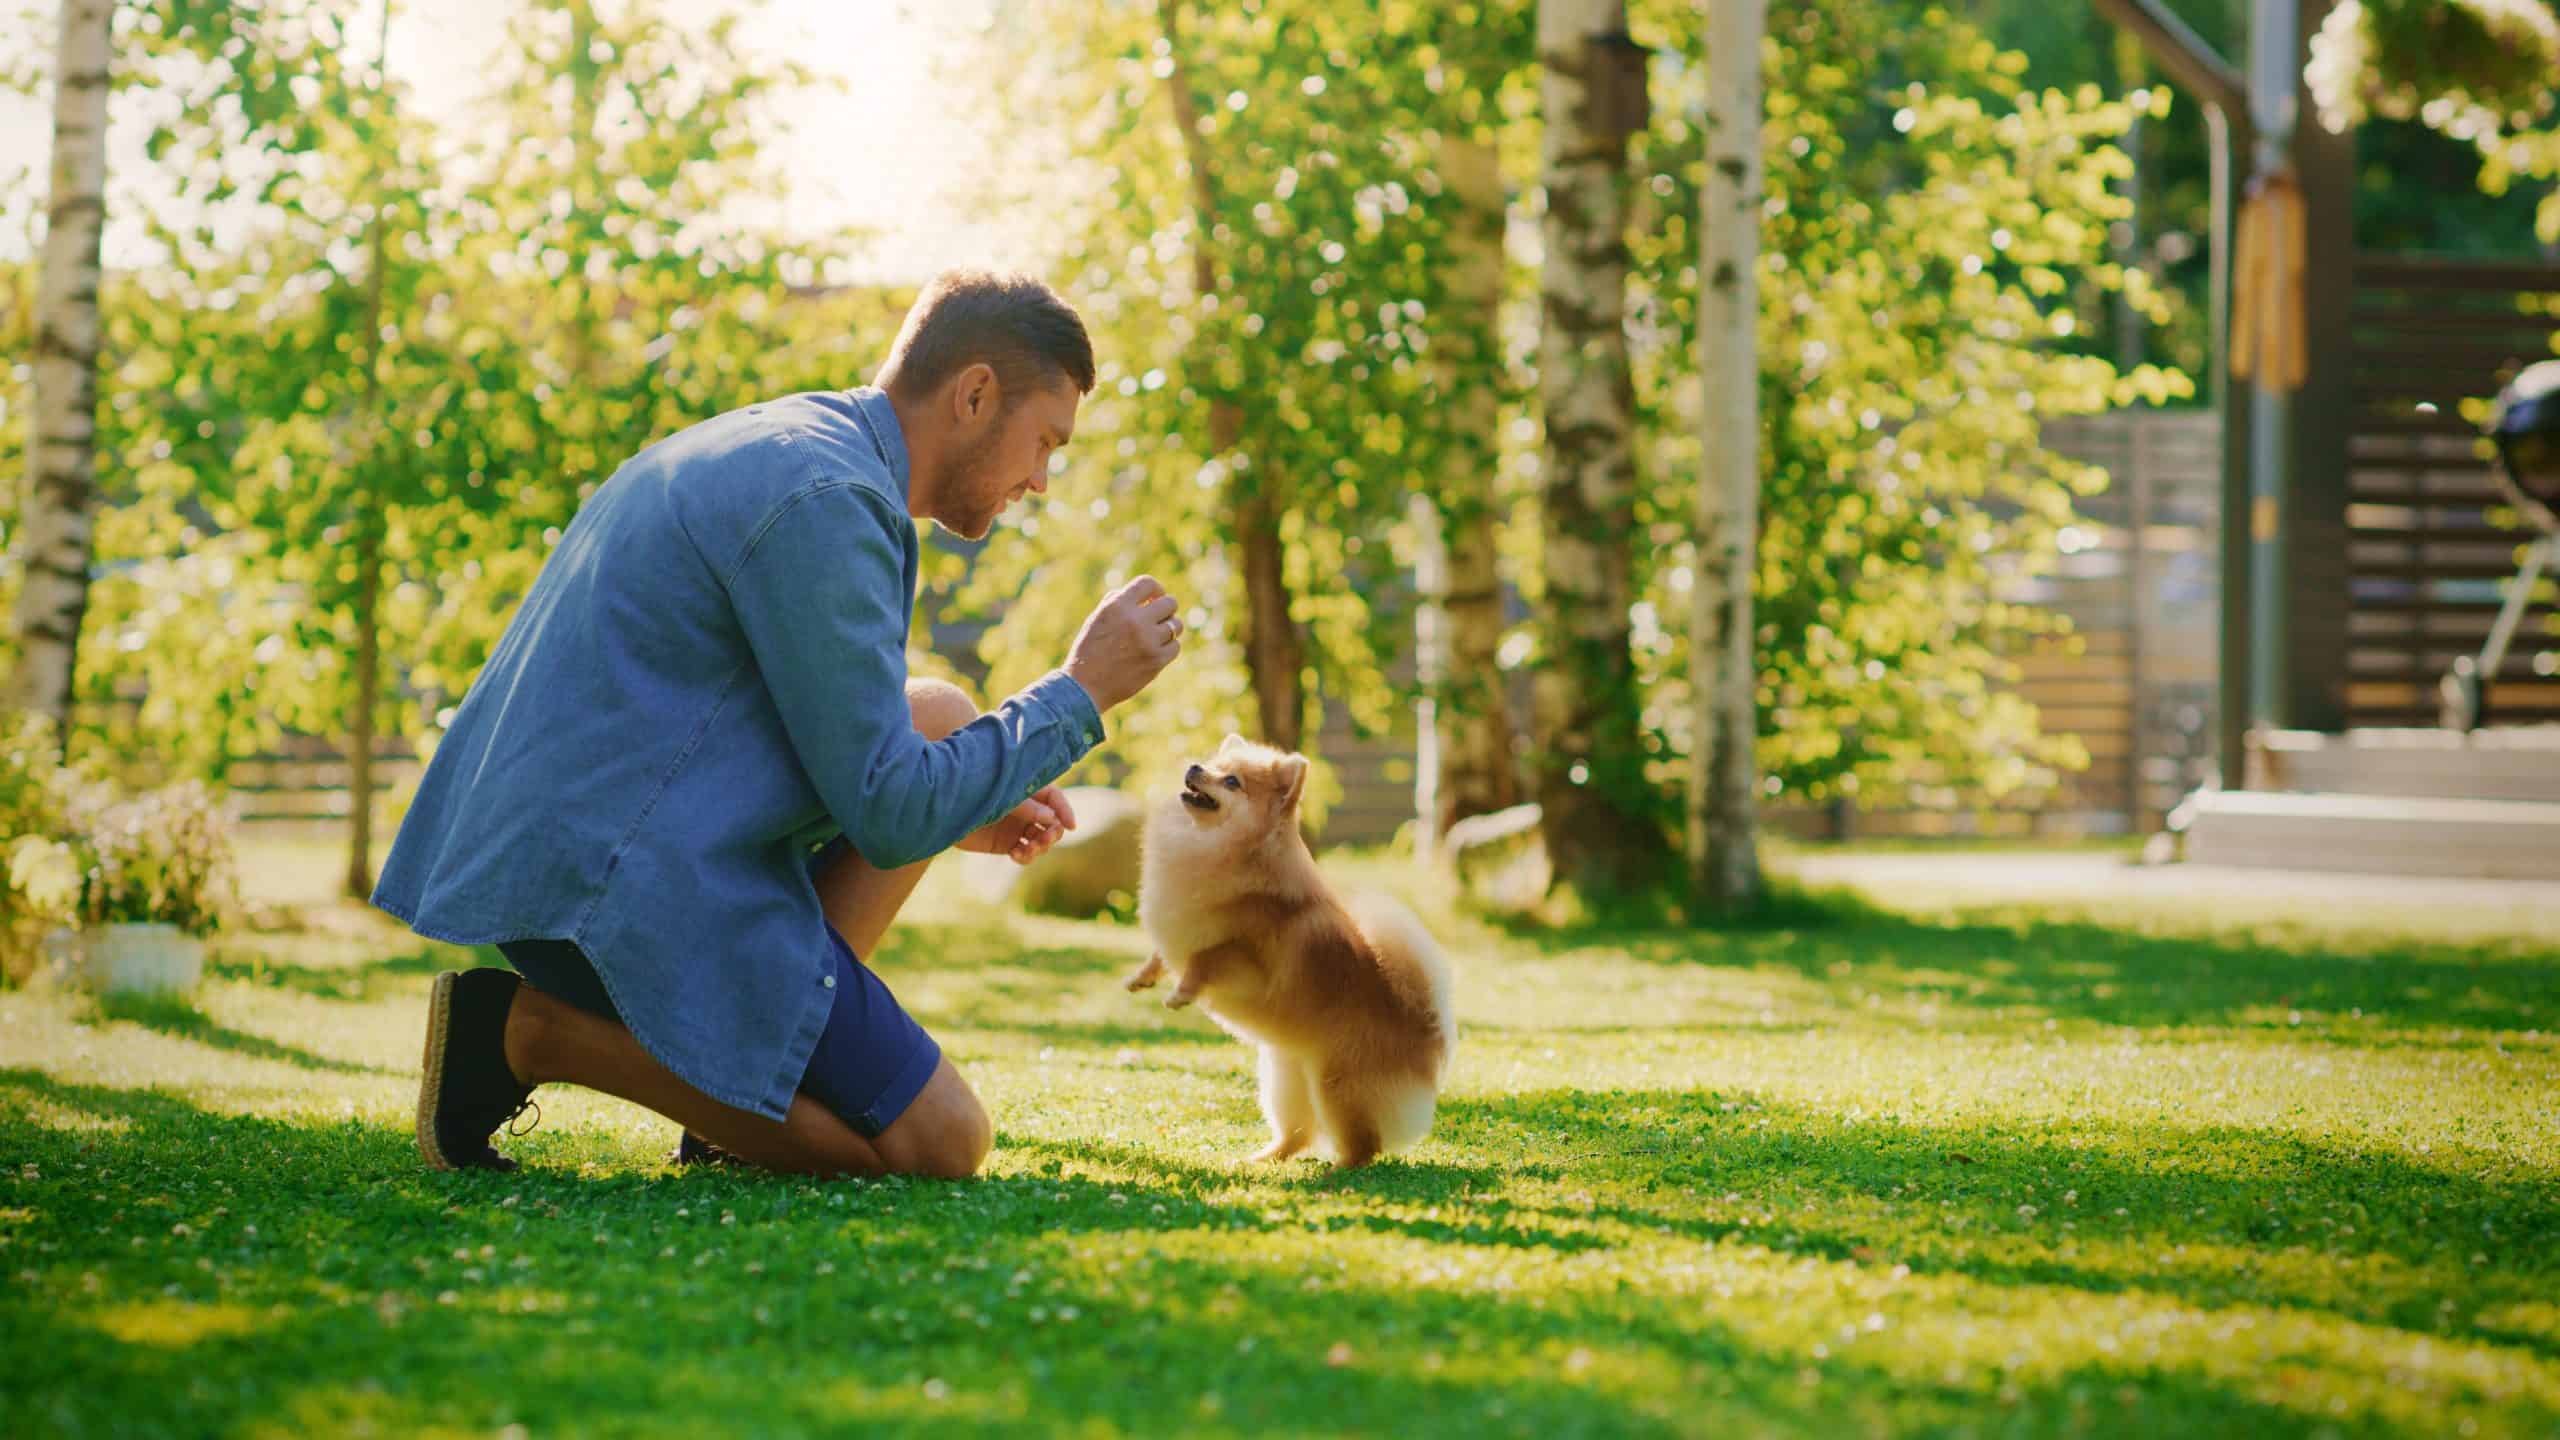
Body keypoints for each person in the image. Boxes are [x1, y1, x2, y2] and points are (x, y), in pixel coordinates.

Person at [374, 270, 1181, 1179]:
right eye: (1044, 443)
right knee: (940, 1144)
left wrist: (971, 797)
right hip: (602, 893)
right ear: (976, 394)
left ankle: (737, 1094)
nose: (1039, 479)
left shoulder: (799, 446)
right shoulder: (829, 503)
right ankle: (527, 1033)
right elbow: (886, 809)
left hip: (576, 848)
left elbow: (856, 741)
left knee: (941, 713)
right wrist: (1079, 691)